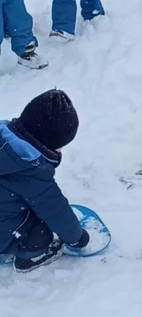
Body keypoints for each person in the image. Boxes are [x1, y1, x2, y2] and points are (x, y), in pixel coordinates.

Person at [0, 89, 89, 272]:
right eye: (60, 145)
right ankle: (28, 259)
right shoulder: (30, 170)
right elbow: (56, 211)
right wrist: (77, 238)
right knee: (40, 232)